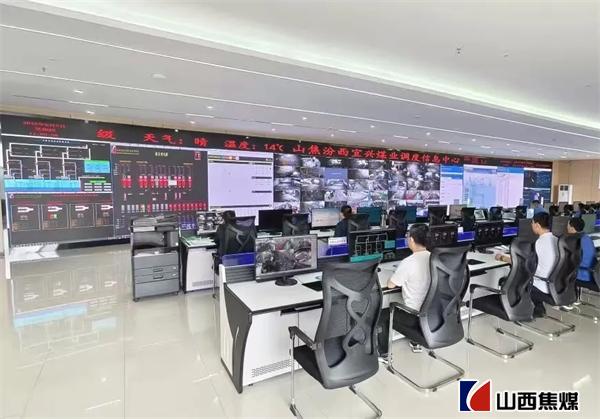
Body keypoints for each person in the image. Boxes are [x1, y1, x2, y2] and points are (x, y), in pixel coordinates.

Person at [496, 212, 557, 317]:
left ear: (537, 225)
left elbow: (523, 262)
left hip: (540, 284)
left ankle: (514, 311)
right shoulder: (556, 240)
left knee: (508, 280)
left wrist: (503, 258)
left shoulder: (539, 244)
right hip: (554, 285)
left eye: (532, 223)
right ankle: (537, 307)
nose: (531, 226)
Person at [387, 224, 431, 352]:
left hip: (413, 315)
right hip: (431, 313)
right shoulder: (434, 258)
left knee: (384, 313)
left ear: (411, 239)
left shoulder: (408, 262)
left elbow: (390, 285)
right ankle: (416, 341)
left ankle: (384, 354)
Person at [567, 217, 596, 283]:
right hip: (592, 273)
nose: (567, 228)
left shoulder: (575, 240)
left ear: (572, 228)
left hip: (582, 275)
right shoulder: (586, 237)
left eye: (568, 226)